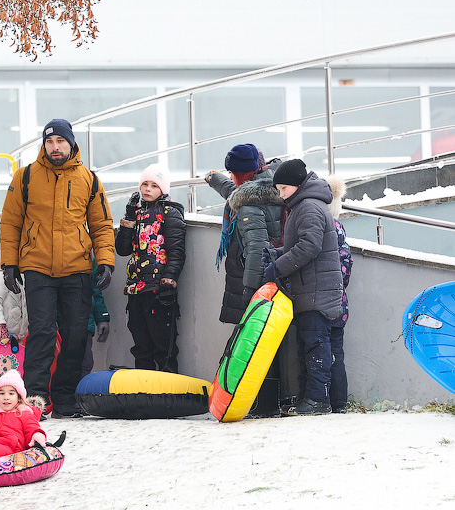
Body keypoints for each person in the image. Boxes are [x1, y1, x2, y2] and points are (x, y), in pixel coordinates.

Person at [0, 118, 115, 418]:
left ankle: (65, 399)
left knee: (76, 335)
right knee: (42, 334)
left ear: (71, 143)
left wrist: (105, 261)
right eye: (50, 142)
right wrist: (9, 263)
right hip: (37, 268)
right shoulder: (25, 177)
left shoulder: (88, 179)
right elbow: (10, 223)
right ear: (44, 144)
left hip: (77, 269)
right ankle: (35, 397)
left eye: (60, 141)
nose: (55, 147)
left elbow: (101, 225)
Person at [263, 159, 343, 417]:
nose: (280, 194)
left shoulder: (308, 207)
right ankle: (317, 399)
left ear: (297, 185)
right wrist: (276, 254)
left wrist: (278, 267)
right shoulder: (304, 205)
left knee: (315, 346)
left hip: (316, 291)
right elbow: (300, 244)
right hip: (313, 288)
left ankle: (318, 401)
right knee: (312, 345)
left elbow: (309, 247)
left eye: (283, 188)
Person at [116, 164, 186, 372]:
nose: (147, 189)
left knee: (164, 344)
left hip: (158, 288)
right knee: (141, 344)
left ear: (163, 189)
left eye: (154, 185)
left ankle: (169, 392)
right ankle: (144, 391)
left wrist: (170, 280)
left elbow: (176, 250)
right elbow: (122, 249)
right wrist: (128, 219)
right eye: (144, 184)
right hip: (135, 288)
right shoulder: (136, 213)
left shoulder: (170, 212)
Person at [205, 143, 284, 324]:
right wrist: (214, 178)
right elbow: (233, 191)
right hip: (269, 281)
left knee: (253, 345)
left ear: (243, 174)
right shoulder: (267, 186)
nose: (231, 178)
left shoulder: (250, 205)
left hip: (255, 285)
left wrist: (250, 295)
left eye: (233, 173)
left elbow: (257, 251)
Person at [327, 174, 352, 414]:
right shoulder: (339, 230)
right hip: (339, 302)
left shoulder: (326, 228)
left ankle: (328, 400)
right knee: (337, 353)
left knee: (323, 353)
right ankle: (340, 402)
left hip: (326, 302)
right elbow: (346, 265)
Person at [81, 253, 110, 379]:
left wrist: (102, 318)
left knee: (85, 362)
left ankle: (81, 396)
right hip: (58, 325)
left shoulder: (88, 259)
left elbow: (96, 291)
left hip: (85, 322)